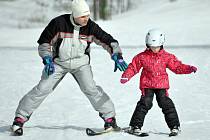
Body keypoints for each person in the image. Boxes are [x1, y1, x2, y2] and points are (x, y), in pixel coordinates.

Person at [11, 0, 128, 136]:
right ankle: (20, 118)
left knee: (90, 88)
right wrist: (47, 58)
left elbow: (108, 40)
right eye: (83, 16)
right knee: (43, 88)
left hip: (81, 64)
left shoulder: (90, 26)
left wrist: (117, 55)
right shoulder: (59, 23)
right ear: (75, 15)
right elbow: (44, 42)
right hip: (58, 63)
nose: (86, 19)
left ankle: (109, 118)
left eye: (88, 15)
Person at [120, 28, 197, 136]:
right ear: (147, 45)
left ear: (161, 44)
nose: (154, 49)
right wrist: (126, 76)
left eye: (156, 47)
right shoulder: (142, 57)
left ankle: (175, 126)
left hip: (161, 85)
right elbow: (133, 67)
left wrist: (188, 68)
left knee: (165, 103)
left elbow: (177, 67)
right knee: (145, 103)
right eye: (151, 47)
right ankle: (135, 126)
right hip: (147, 84)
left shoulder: (167, 57)